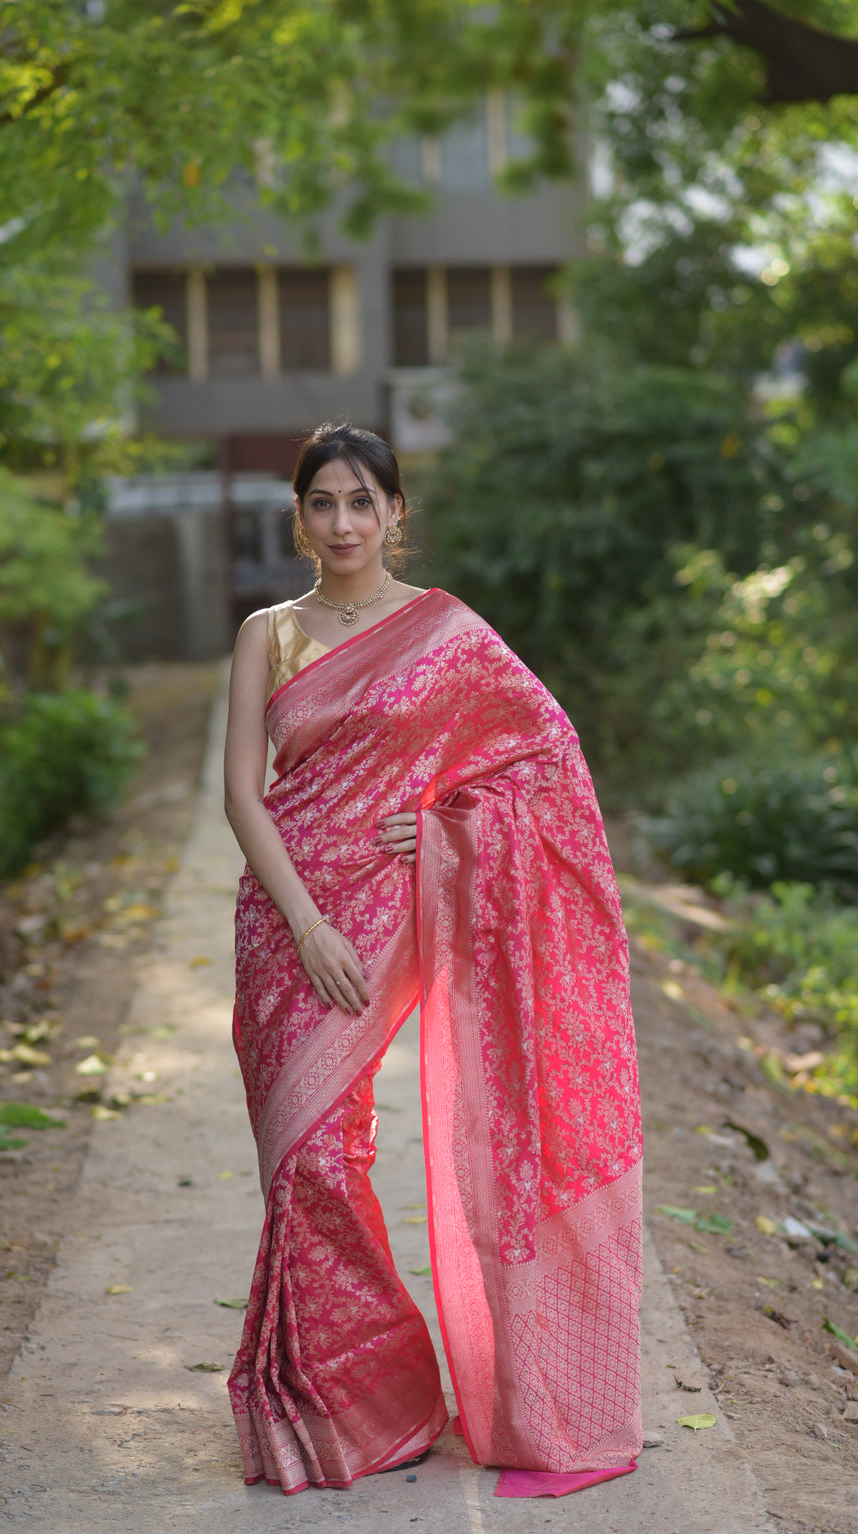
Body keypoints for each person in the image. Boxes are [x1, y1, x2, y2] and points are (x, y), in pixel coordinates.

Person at [223, 422, 643, 1499]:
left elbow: (544, 756)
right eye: (322, 503)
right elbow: (240, 791)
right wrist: (304, 922)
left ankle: (400, 1389)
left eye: (363, 501)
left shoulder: (444, 629)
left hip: (390, 905)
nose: (343, 523)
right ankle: (368, 1391)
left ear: (396, 514)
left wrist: (457, 824)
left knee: (333, 1144)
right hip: (284, 916)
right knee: (303, 1162)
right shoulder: (266, 634)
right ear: (299, 517)